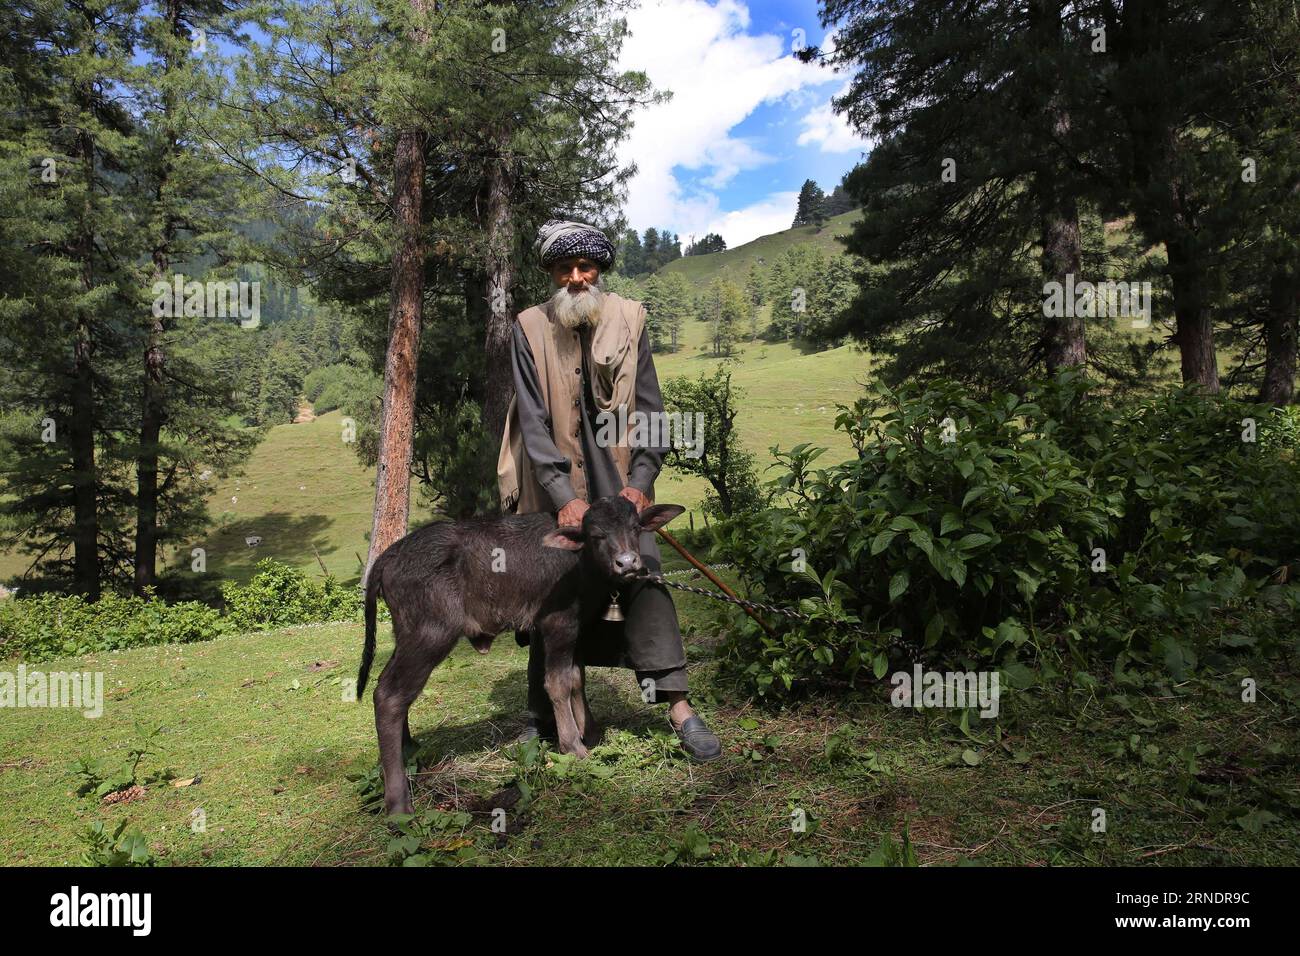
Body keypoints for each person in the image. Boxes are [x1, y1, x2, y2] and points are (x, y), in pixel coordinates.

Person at [496, 219, 722, 761]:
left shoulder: (629, 318)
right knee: (553, 589)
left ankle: (678, 706)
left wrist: (641, 482)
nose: (576, 277)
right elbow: (530, 420)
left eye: (586, 266)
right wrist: (558, 491)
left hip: (616, 478)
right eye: (564, 268)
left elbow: (651, 408)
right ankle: (542, 710)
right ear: (551, 273)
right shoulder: (528, 327)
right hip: (555, 483)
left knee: (640, 570)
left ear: (599, 270)